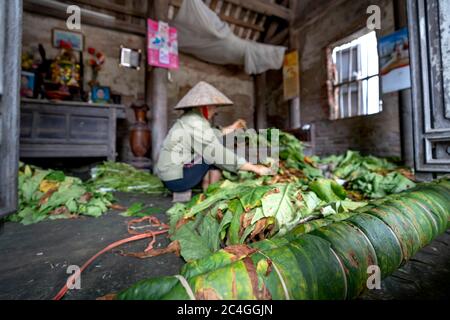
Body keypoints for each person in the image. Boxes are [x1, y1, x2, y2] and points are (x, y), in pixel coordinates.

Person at [154, 81, 272, 195]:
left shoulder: (191, 118)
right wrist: (254, 168)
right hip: (176, 180)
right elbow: (217, 152)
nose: (215, 111)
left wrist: (234, 127)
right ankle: (212, 193)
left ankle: (208, 189)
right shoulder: (195, 122)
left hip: (171, 176)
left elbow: (213, 134)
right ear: (204, 107)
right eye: (214, 107)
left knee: (212, 151)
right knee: (214, 155)